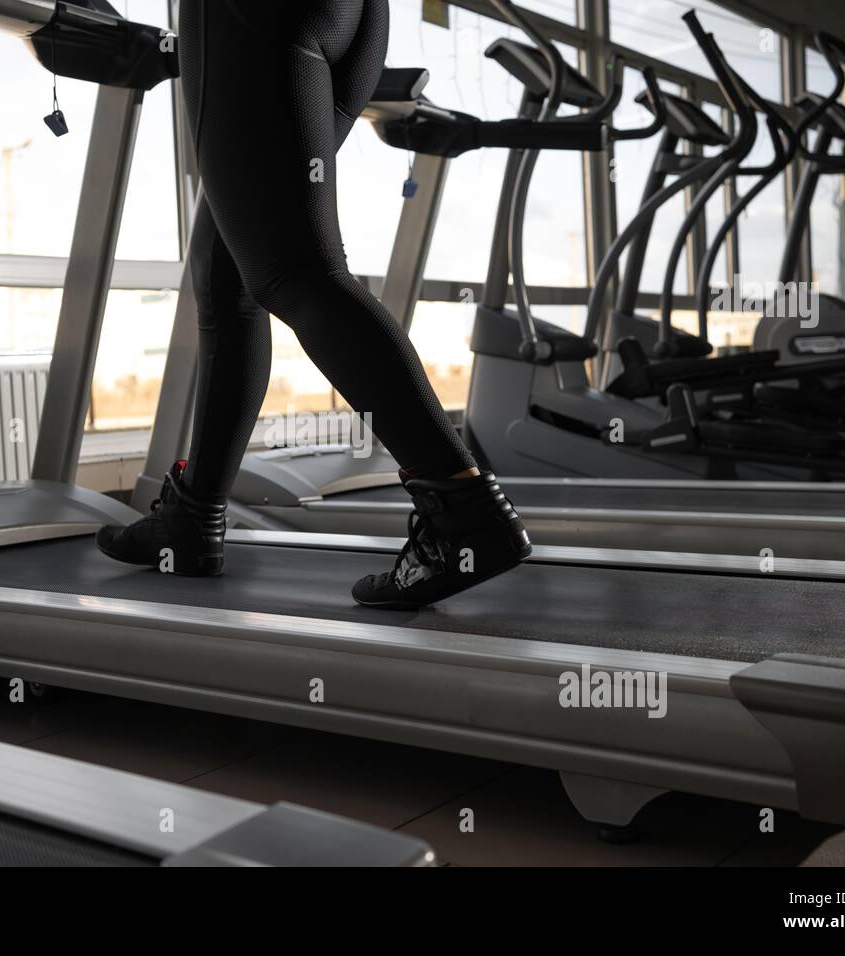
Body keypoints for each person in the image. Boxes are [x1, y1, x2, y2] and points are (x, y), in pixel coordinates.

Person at [97, 0, 530, 609]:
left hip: (254, 22)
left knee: (293, 269)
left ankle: (466, 515)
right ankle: (193, 519)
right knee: (229, 273)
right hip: (350, 20)